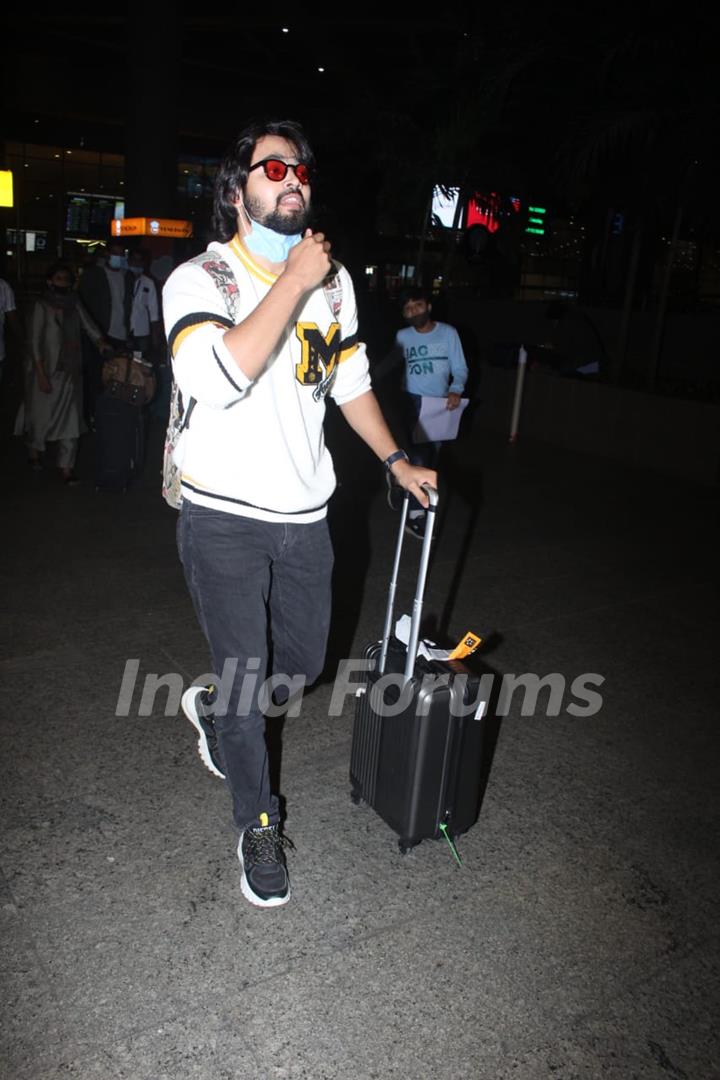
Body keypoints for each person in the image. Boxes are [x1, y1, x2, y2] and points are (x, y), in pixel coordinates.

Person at [163, 118, 436, 909]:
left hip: (304, 512)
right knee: (251, 688)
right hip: (221, 516)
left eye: (302, 171)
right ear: (237, 187)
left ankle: (217, 716)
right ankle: (257, 822)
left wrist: (395, 459)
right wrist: (292, 281)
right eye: (273, 167)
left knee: (305, 665)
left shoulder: (336, 282)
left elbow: (349, 382)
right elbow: (219, 377)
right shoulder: (201, 280)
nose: (293, 180)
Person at [21, 263, 109, 484]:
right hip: (46, 371)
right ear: (50, 281)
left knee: (71, 421)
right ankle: (34, 452)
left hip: (71, 373)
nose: (63, 282)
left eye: (66, 279)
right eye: (59, 278)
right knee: (40, 419)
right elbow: (34, 342)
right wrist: (40, 374)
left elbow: (90, 327)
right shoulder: (41, 306)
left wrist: (101, 343)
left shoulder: (74, 304)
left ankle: (66, 468)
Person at [393, 288, 468, 539]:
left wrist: (455, 390)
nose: (414, 311)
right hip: (412, 402)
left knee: (431, 457)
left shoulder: (448, 333)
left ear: (428, 306)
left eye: (418, 305)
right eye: (408, 308)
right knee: (421, 458)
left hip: (439, 405)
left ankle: (399, 480)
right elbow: (393, 363)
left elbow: (460, 368)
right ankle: (415, 515)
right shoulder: (402, 336)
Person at [127, 249, 161, 359]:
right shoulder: (122, 278)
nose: (137, 263)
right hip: (124, 329)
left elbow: (154, 310)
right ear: (129, 261)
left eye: (140, 261)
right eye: (134, 260)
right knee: (124, 360)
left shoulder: (148, 282)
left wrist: (155, 336)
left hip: (142, 330)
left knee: (140, 361)